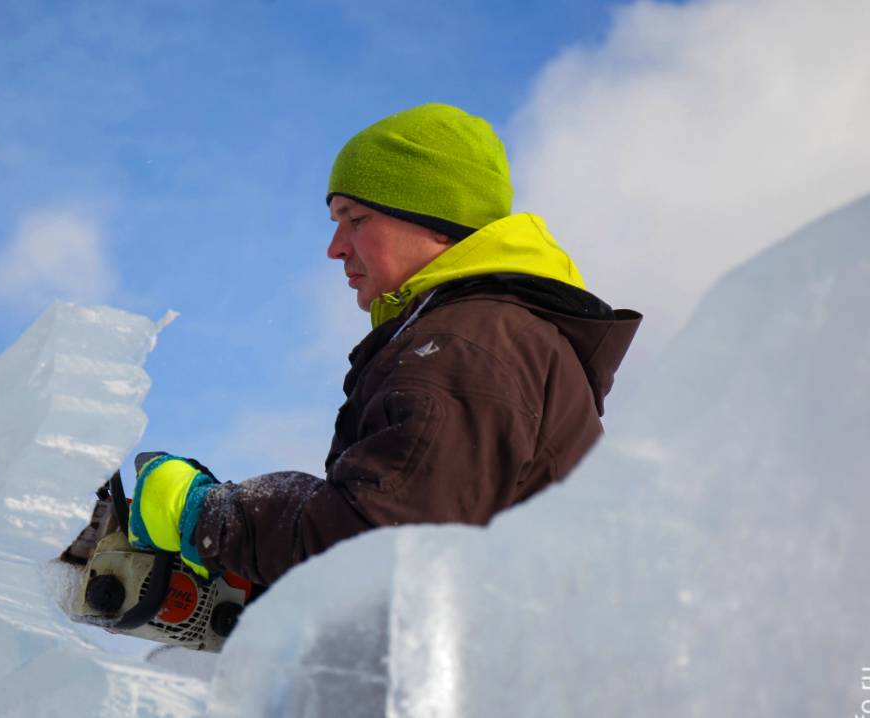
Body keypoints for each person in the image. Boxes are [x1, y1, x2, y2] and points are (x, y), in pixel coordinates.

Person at [127, 103, 642, 586]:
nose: (335, 248)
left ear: (436, 225)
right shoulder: (494, 334)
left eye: (356, 220)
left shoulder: (463, 345)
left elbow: (380, 550)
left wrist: (208, 515)